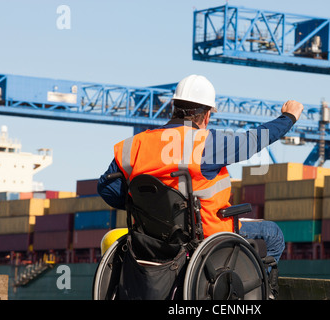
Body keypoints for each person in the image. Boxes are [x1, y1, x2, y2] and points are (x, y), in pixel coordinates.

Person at [97, 74, 304, 264]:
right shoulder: (207, 143)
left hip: (151, 237)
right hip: (206, 236)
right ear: (206, 116)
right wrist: (289, 117)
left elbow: (107, 189)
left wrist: (151, 210)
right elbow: (254, 140)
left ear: (172, 108)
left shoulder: (134, 145)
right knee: (272, 233)